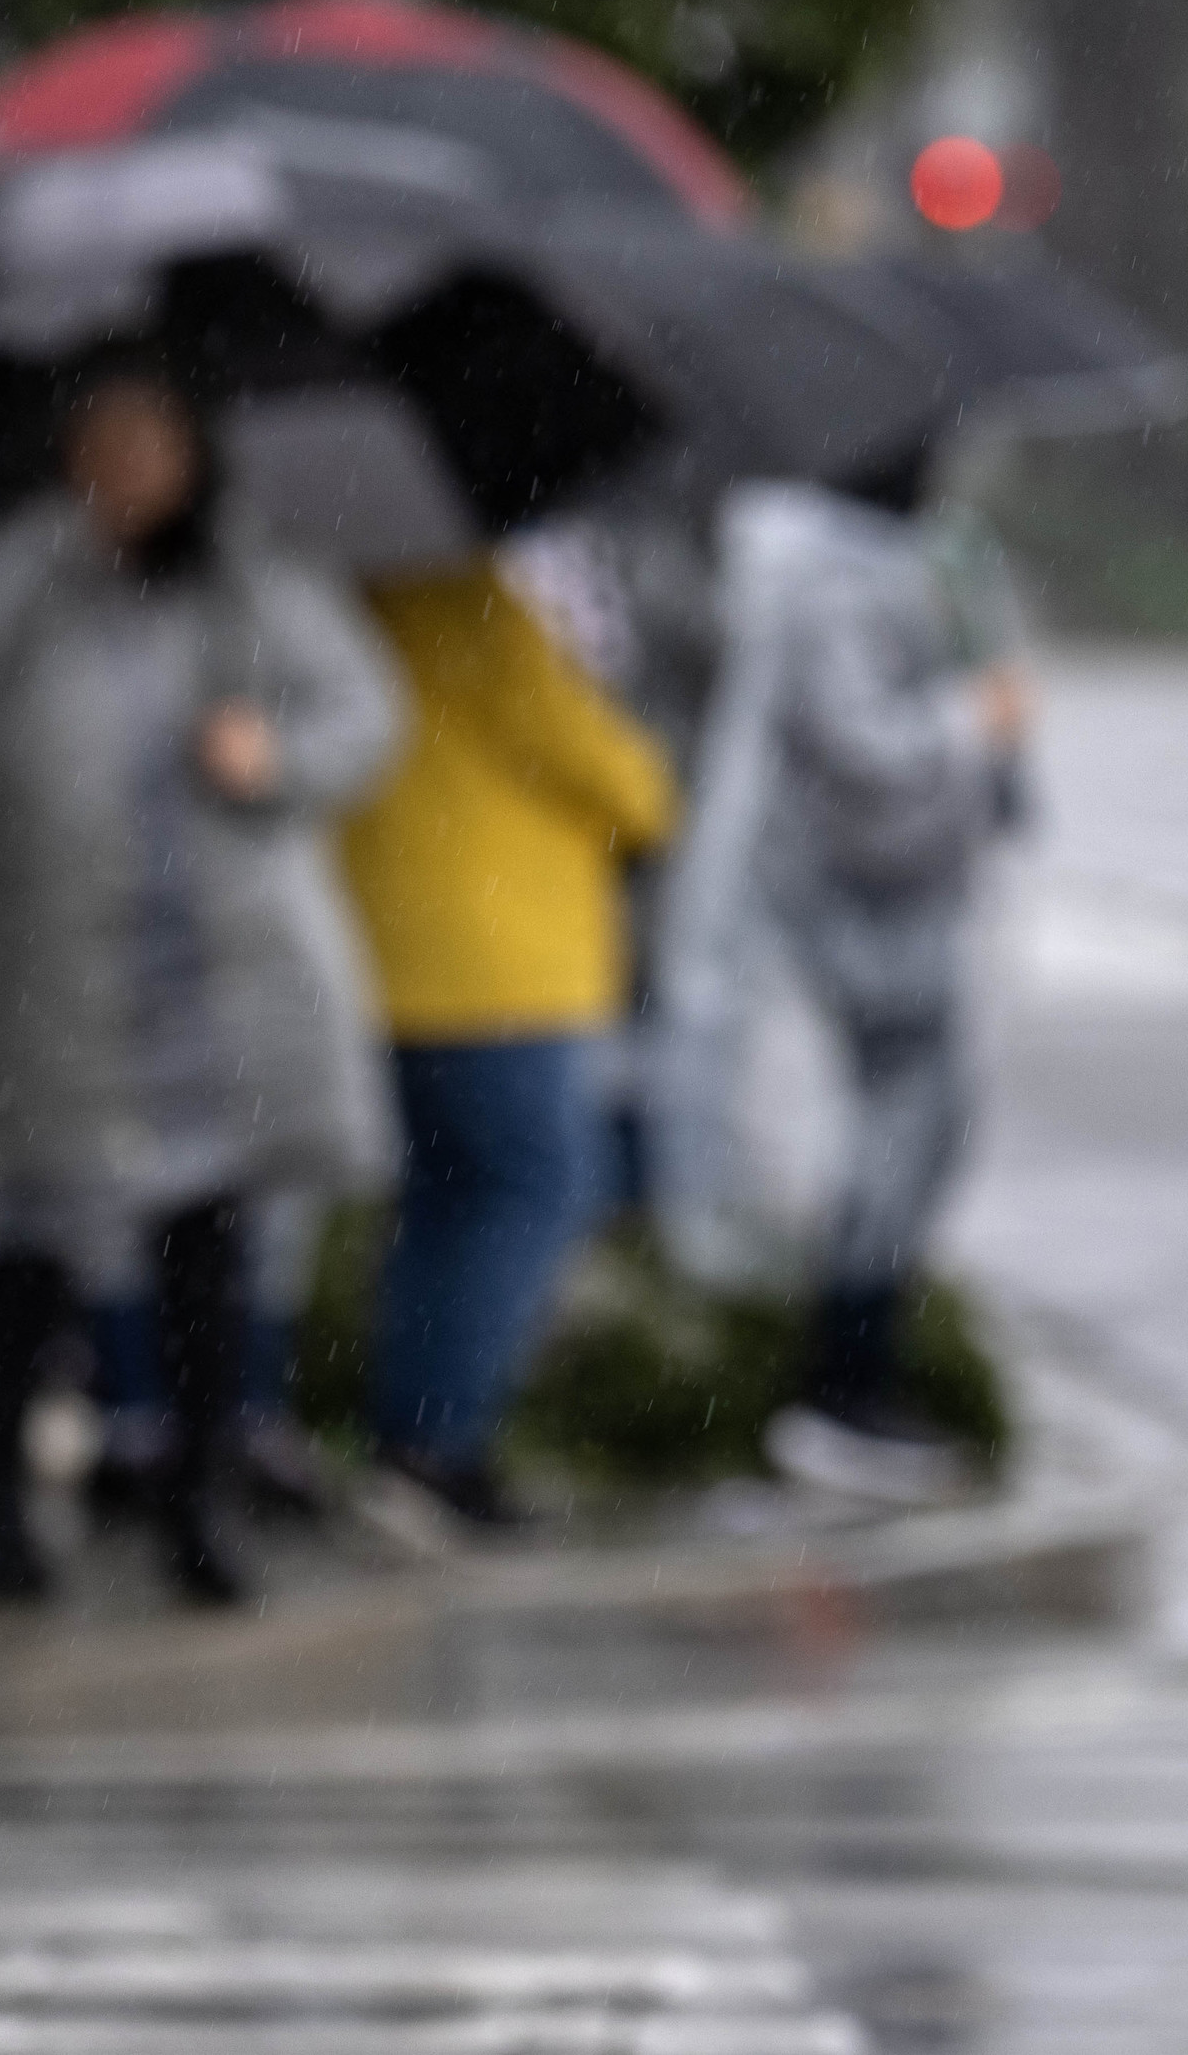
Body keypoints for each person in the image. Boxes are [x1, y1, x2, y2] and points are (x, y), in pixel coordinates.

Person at [0, 349, 401, 1609]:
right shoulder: (8, 574)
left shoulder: (249, 580)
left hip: (215, 973)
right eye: (104, 444)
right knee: (26, 1246)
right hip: (48, 974)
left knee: (201, 1245)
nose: (129, 473)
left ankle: (194, 1499)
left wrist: (274, 753)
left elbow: (363, 714)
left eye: (154, 445)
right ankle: (6, 1503)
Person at [659, 441, 1028, 1507]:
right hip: (844, 925)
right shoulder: (820, 572)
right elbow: (858, 743)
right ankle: (839, 1389)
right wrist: (972, 722)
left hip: (890, 914)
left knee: (907, 1143)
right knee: (875, 1150)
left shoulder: (896, 556)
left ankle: (855, 1382)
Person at [336, 549, 678, 1531]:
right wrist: (651, 786)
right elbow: (585, 755)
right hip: (500, 957)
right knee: (539, 1187)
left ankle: (404, 1437)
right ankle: (439, 1443)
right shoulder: (466, 593)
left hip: (393, 944)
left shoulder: (355, 588)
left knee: (446, 1195)